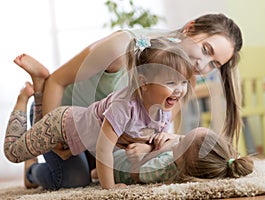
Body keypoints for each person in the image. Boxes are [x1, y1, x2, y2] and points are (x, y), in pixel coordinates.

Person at [23, 13, 243, 190]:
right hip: (63, 121)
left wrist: (148, 148)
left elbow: (151, 130)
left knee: (133, 167)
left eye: (213, 64)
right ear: (189, 28)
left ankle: (90, 161)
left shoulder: (185, 83)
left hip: (103, 138)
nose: (202, 65)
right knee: (73, 179)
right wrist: (53, 141)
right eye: (206, 50)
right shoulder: (120, 49)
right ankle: (31, 169)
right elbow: (57, 82)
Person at [4, 37, 194, 189]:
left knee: (72, 171)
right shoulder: (124, 106)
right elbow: (103, 151)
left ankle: (39, 86)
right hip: (59, 125)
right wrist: (110, 188)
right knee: (12, 153)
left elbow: (148, 138)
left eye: (183, 82)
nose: (179, 90)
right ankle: (22, 100)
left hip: (79, 141)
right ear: (143, 83)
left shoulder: (163, 109)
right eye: (171, 83)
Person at [95, 127, 254, 184]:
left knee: (95, 171)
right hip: (120, 154)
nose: (177, 138)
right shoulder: (189, 162)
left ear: (182, 161)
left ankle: (93, 171)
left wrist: (158, 150)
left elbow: (135, 174)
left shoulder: (160, 168)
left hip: (116, 167)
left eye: (181, 140)